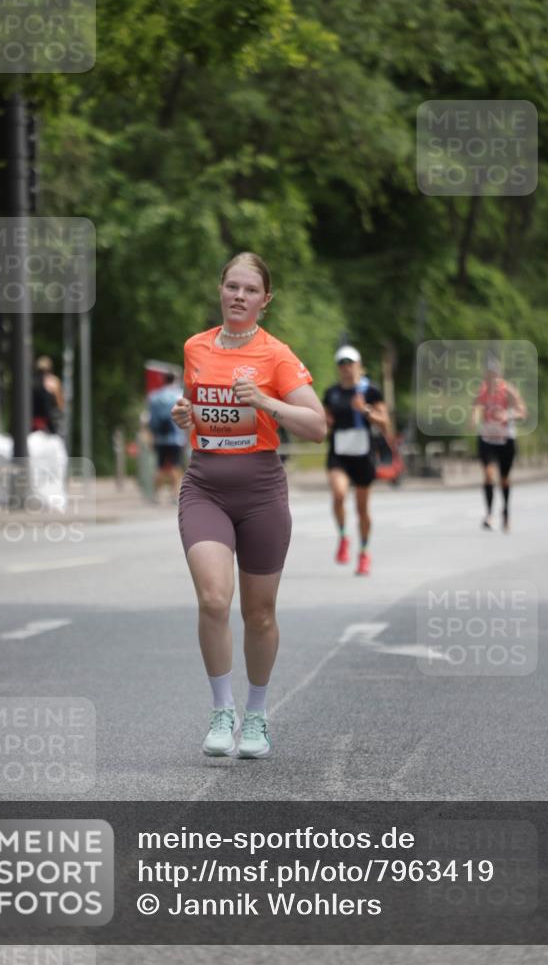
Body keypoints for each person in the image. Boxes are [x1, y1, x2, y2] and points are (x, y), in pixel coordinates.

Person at [171, 252, 326, 759]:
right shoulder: (195, 346)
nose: (239, 296)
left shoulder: (276, 355)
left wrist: (264, 401)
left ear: (266, 300)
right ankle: (222, 710)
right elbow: (202, 411)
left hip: (260, 490)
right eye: (231, 286)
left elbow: (316, 424)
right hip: (206, 486)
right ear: (220, 289)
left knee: (259, 613)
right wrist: (186, 415)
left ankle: (256, 717)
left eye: (250, 290)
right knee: (214, 599)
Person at [323, 346, 393, 576]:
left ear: (359, 365)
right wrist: (324, 423)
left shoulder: (370, 392)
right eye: (342, 364)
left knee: (362, 510)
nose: (346, 368)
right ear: (338, 368)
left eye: (350, 363)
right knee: (339, 494)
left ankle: (363, 552)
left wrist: (365, 411)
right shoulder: (332, 393)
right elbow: (325, 422)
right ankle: (343, 536)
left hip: (363, 455)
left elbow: (385, 424)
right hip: (339, 454)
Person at [472, 356, 527, 532]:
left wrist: (508, 415)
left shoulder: (508, 391)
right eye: (489, 374)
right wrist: (474, 420)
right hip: (487, 437)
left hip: (505, 438)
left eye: (494, 374)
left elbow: (522, 412)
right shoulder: (483, 391)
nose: (492, 378)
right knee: (488, 474)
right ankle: (489, 514)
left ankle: (506, 512)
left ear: (499, 375)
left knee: (504, 478)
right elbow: (476, 408)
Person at [147, 371, 186, 503]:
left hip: (160, 437)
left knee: (160, 466)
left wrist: (151, 436)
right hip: (176, 437)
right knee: (175, 466)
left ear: (163, 380)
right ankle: (175, 495)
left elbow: (151, 420)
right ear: (174, 380)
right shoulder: (179, 395)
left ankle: (155, 495)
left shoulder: (154, 397)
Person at [31, 355, 64, 434]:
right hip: (48, 424)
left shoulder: (31, 382)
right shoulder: (53, 382)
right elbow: (60, 405)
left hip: (32, 423)